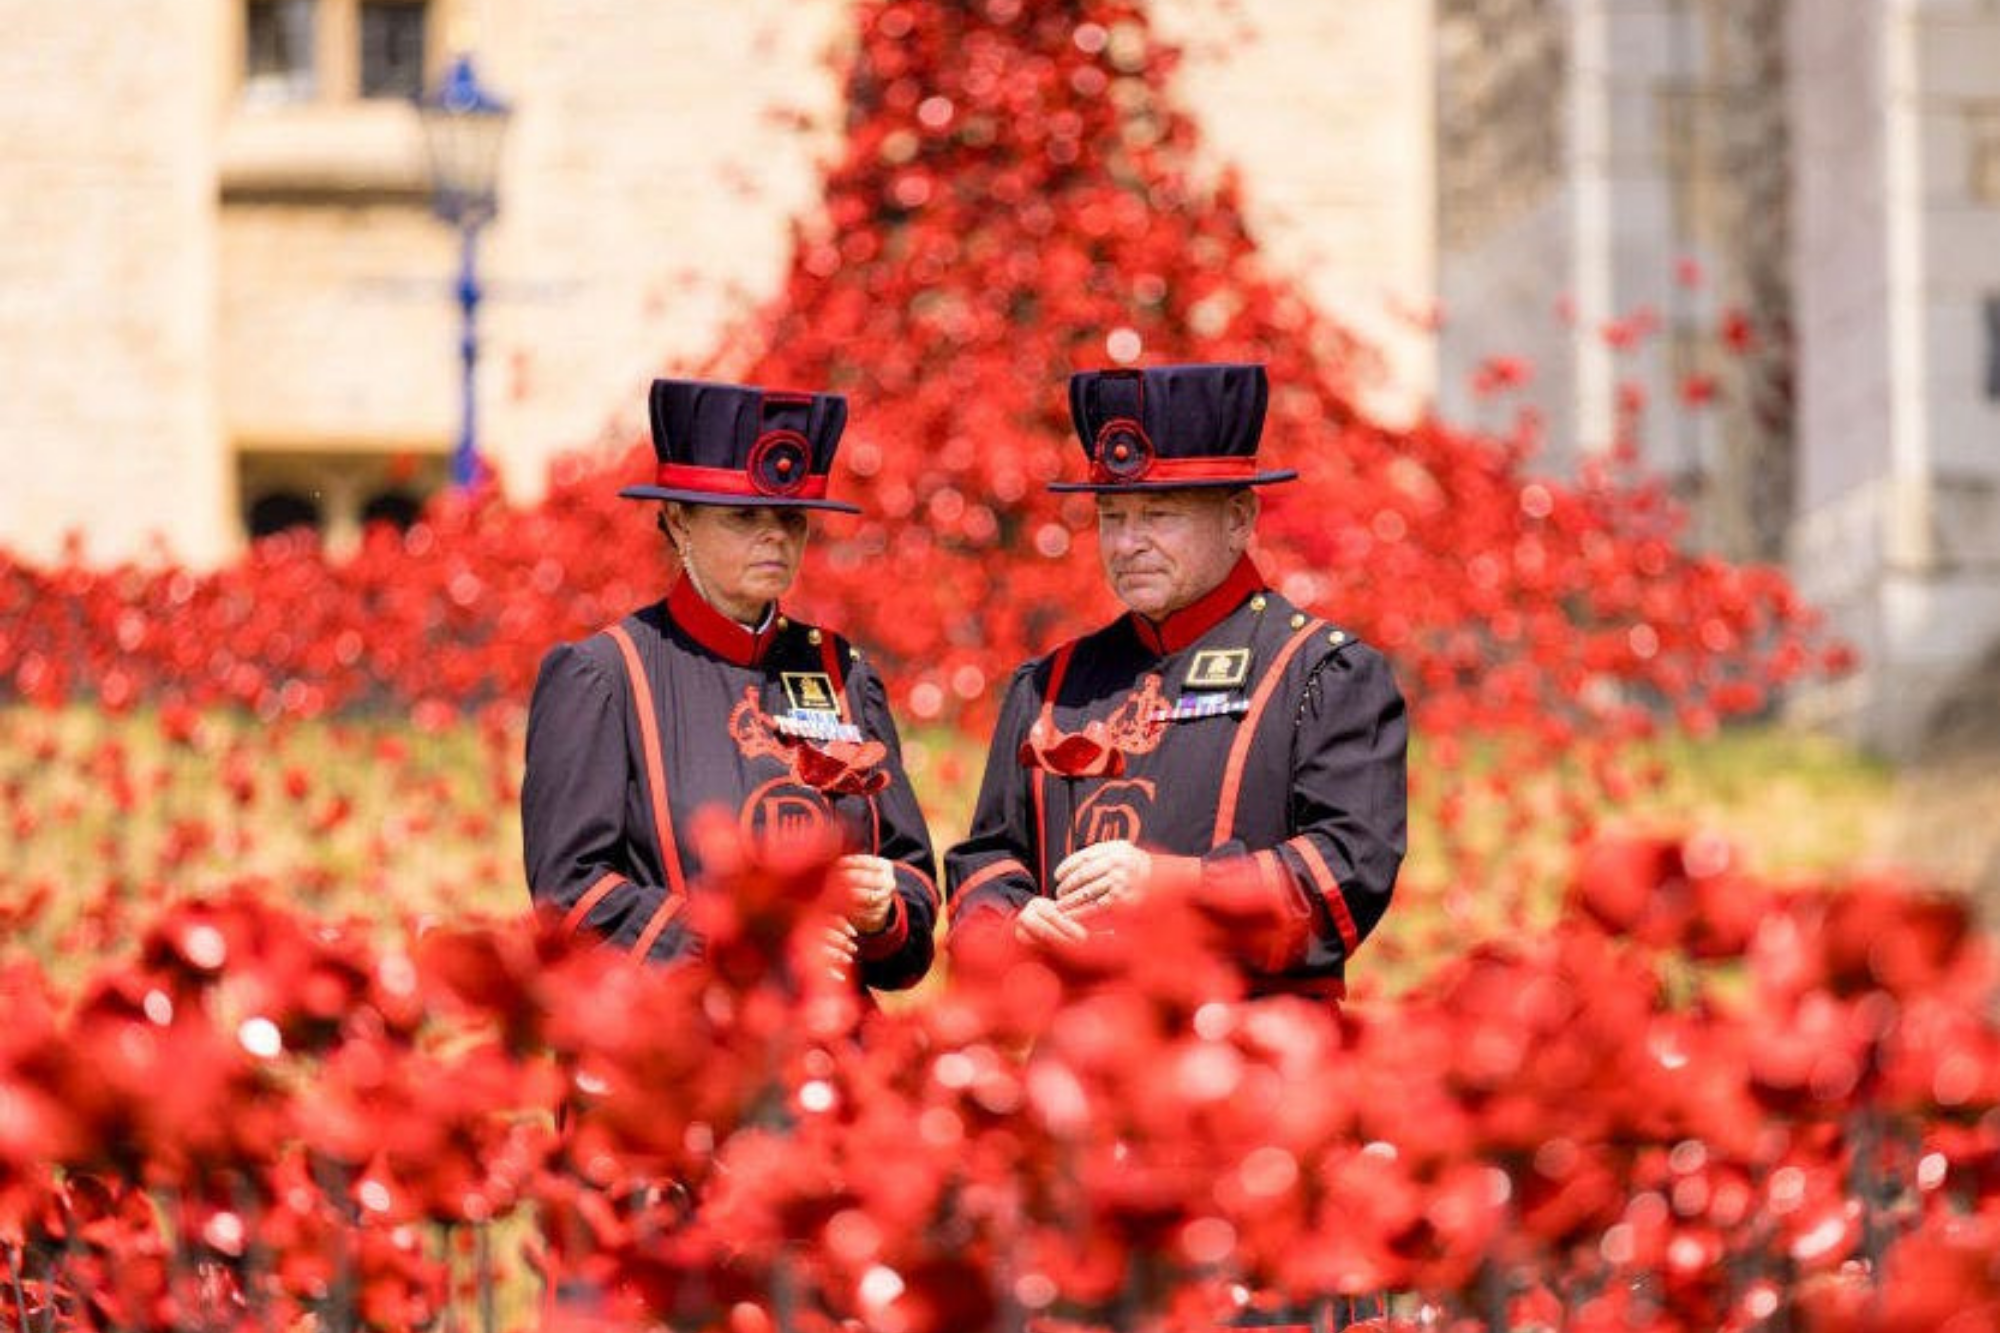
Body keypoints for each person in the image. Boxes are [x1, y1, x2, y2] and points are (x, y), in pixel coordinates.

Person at [944, 362, 1406, 1002]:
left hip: (1248, 1048)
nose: (1127, 543)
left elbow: (1350, 875)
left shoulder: (1322, 671)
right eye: (1112, 516)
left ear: (1239, 517)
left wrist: (1173, 887)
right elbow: (986, 860)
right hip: (1079, 1048)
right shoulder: (1050, 683)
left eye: (1157, 514)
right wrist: (1014, 920)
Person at [522, 377, 937, 993]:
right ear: (678, 521)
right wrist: (734, 944)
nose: (776, 536)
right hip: (679, 1036)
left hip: (829, 1038)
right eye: (744, 516)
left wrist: (882, 909)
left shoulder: (843, 671)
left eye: (791, 518)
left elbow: (913, 898)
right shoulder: (604, 674)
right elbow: (569, 894)